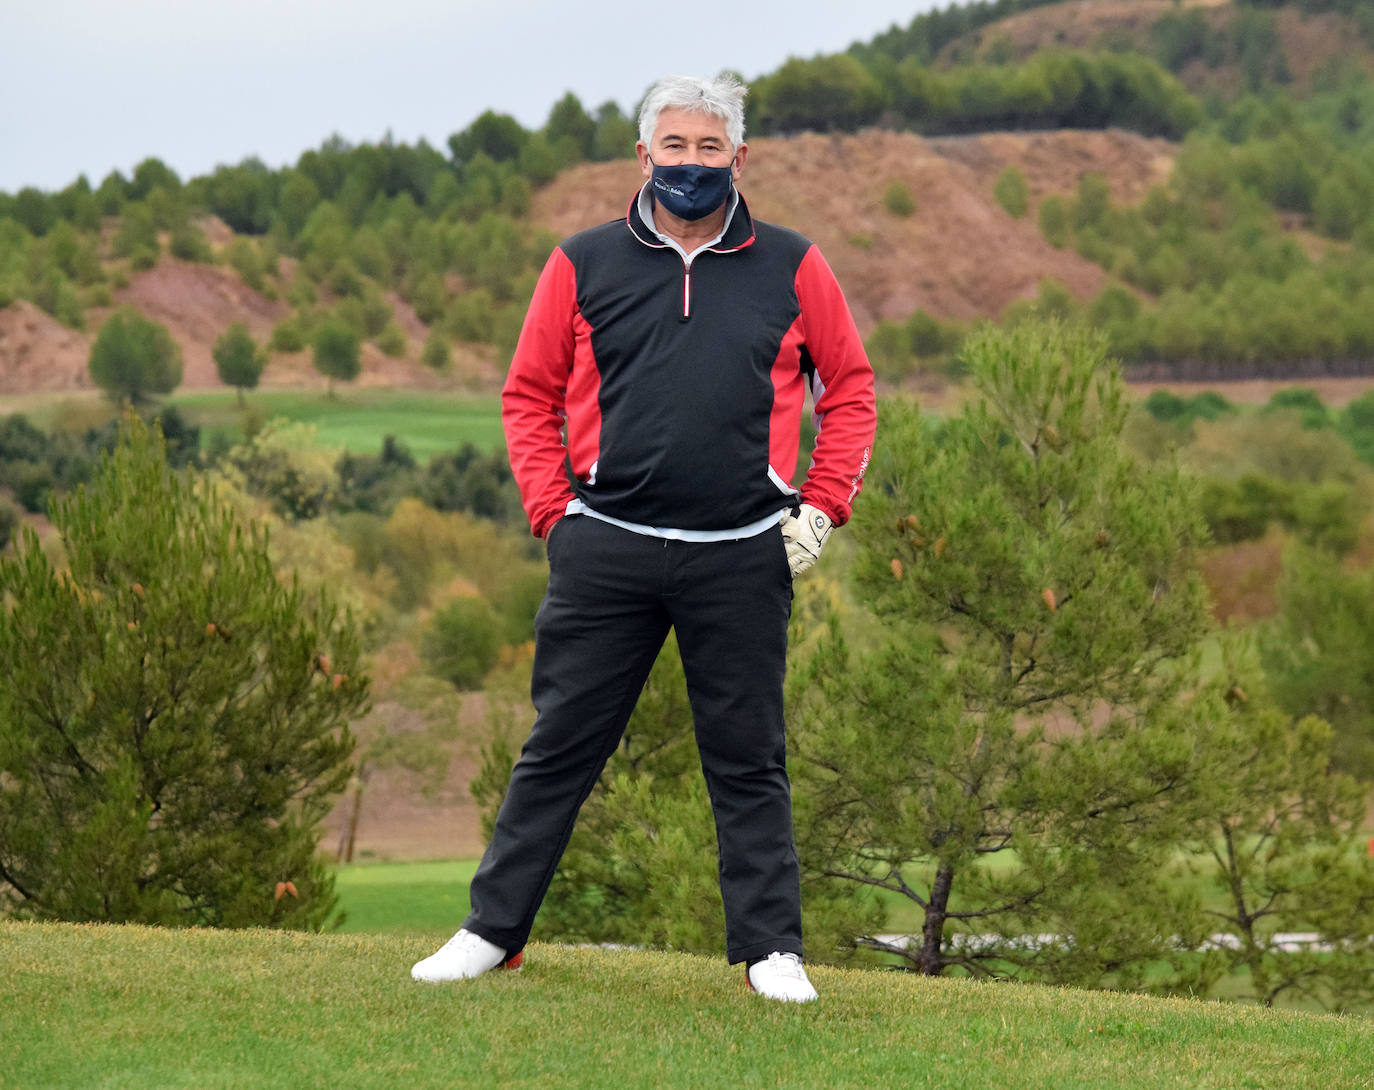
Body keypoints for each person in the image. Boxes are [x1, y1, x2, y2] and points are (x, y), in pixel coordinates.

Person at [411, 73, 876, 1003]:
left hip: (745, 552)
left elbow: (851, 390)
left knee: (748, 757)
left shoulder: (794, 264)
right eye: (676, 147)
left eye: (711, 149)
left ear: (740, 158)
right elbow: (528, 397)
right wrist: (555, 517)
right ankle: (491, 933)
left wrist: (820, 510)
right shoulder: (581, 262)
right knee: (560, 748)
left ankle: (770, 952)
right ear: (644, 155)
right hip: (607, 549)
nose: (692, 164)